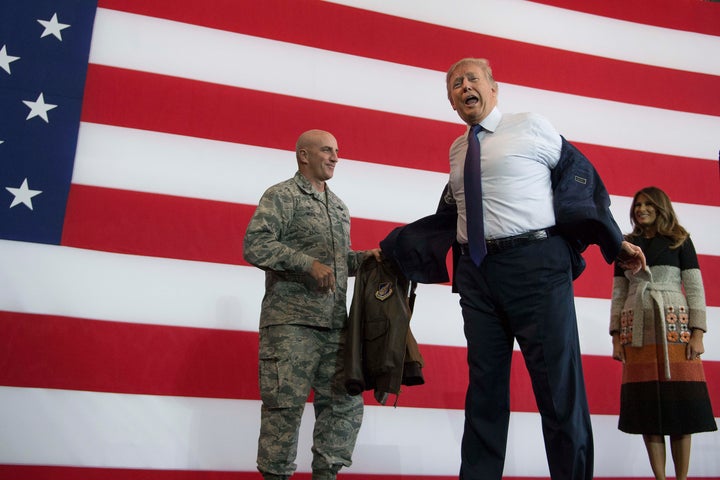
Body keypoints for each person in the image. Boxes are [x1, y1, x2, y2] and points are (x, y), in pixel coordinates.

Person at [380, 57, 646, 480]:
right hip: (477, 275)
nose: (464, 86)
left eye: (472, 79)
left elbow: (583, 181)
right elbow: (454, 212)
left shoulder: (531, 125)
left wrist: (614, 241)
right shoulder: (458, 148)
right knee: (484, 392)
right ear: (451, 101)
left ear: (493, 87)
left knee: (559, 392)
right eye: (454, 84)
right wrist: (397, 250)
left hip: (536, 267)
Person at [243, 129, 381, 480]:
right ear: (303, 156)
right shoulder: (282, 196)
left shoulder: (338, 207)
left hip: (335, 327)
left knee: (343, 409)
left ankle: (327, 475)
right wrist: (305, 263)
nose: (335, 157)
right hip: (291, 326)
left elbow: (337, 264)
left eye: (336, 151)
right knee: (283, 413)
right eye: (326, 150)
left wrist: (368, 259)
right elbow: (255, 245)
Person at [609, 186, 716, 480]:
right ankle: (660, 478)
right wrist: (617, 337)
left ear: (660, 207)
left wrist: (697, 333)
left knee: (683, 407)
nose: (640, 209)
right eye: (637, 205)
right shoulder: (626, 245)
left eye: (647, 204)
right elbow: (619, 292)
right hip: (637, 330)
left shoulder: (679, 240)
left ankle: (681, 478)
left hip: (675, 327)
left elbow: (694, 287)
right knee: (647, 409)